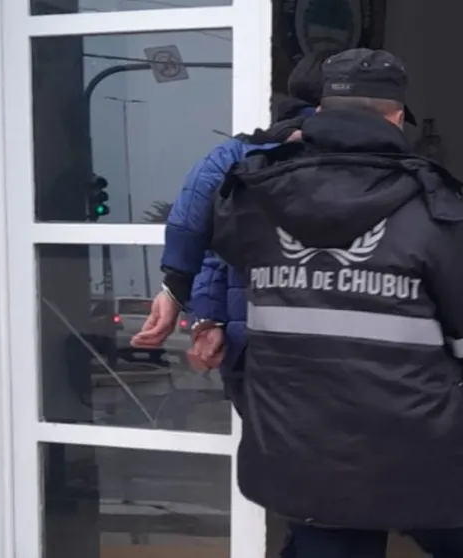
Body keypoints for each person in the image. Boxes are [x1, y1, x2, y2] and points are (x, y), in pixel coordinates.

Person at [210, 48, 463, 558]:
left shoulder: (255, 198)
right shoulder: (434, 209)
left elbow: (221, 265)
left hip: (301, 449)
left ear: (320, 111)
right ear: (397, 118)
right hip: (422, 450)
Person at [130, 49, 335, 370]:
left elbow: (213, 241)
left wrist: (200, 310)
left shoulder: (241, 153)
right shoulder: (370, 164)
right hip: (338, 355)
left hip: (253, 353)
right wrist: (200, 311)